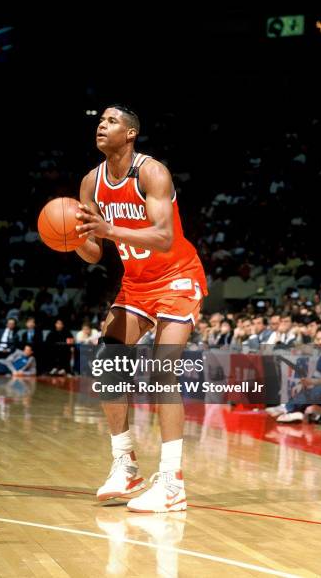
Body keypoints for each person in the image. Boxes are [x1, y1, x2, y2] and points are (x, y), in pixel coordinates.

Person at [74, 104, 207, 513]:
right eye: (100, 120)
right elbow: (94, 253)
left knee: (163, 366)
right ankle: (125, 463)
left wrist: (108, 229)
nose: (102, 125)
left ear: (130, 133)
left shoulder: (152, 172)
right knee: (107, 360)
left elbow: (165, 237)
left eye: (112, 121)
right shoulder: (90, 183)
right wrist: (71, 238)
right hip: (137, 283)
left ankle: (172, 482)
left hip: (178, 275)